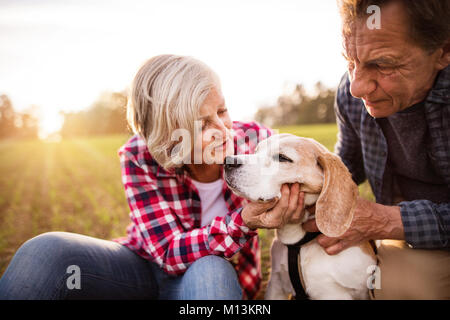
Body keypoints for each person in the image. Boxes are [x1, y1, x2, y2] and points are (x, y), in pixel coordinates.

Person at [0, 54, 305, 300]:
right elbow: (168, 252)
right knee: (46, 252)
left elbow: (316, 176)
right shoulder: (139, 155)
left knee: (211, 267)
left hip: (210, 284)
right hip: (140, 272)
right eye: (200, 125)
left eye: (222, 111)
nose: (224, 130)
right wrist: (244, 221)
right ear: (167, 135)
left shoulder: (259, 143)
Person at [303, 0, 450, 299]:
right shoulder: (350, 92)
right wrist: (298, 182)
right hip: (407, 234)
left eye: (383, 65)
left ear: (444, 52)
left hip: (405, 224)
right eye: (351, 61)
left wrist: (384, 220)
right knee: (392, 285)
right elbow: (348, 165)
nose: (357, 87)